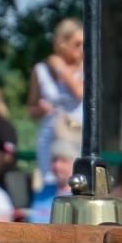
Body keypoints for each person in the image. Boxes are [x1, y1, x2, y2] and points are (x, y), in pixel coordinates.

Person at [28, 17, 84, 178]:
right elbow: (31, 110)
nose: (81, 49)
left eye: (83, 44)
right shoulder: (41, 70)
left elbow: (79, 92)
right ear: (62, 44)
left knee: (77, 181)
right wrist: (41, 108)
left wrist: (60, 68)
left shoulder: (87, 68)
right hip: (50, 137)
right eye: (77, 44)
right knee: (50, 182)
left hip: (76, 135)